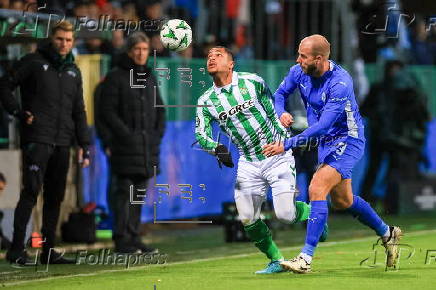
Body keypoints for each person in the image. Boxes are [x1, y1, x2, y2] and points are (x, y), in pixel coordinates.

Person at [265, 34, 402, 273]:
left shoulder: (340, 83)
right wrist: (280, 112)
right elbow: (279, 95)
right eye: (298, 54)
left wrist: (287, 144)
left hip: (348, 139)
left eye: (303, 56)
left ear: (318, 59)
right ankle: (387, 233)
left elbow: (324, 125)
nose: (298, 60)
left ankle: (305, 258)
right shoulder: (299, 72)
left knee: (317, 187)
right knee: (343, 201)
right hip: (325, 142)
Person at [195, 46, 327, 274]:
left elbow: (272, 108)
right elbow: (200, 133)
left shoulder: (252, 82)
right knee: (246, 218)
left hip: (276, 155)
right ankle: (276, 259)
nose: (212, 58)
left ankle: (315, 215)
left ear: (231, 63)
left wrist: (284, 140)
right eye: (209, 56)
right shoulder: (206, 101)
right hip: (248, 163)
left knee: (285, 215)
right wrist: (216, 148)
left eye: (218, 55)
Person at [0, 20, 90, 265]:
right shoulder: (32, 61)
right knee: (30, 193)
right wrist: (19, 113)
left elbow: (79, 111)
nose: (64, 44)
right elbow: (4, 86)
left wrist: (85, 144)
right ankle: (17, 249)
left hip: (63, 142)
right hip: (37, 139)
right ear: (52, 38)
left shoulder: (74, 70)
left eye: (69, 40)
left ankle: (48, 250)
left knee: (55, 197)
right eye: (60, 39)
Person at [100, 32, 165, 254]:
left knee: (138, 195)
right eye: (137, 49)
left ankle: (134, 236)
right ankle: (122, 239)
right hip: (124, 148)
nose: (141, 53)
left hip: (146, 148)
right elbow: (106, 112)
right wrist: (125, 136)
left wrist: (156, 135)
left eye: (145, 49)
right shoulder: (116, 77)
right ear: (129, 51)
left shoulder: (149, 77)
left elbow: (160, 110)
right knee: (122, 195)